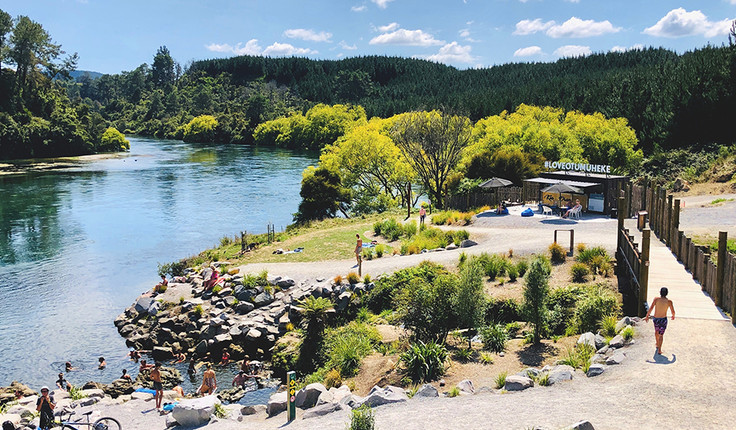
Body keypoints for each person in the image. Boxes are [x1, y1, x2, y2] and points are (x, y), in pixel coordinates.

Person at [645, 286, 676, 355]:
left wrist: (647, 316)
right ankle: (659, 349)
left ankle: (657, 343)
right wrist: (673, 316)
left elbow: (651, 308)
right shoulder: (669, 301)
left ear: (660, 292)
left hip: (656, 319)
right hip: (663, 319)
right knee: (661, 335)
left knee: (656, 332)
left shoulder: (656, 299)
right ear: (667, 293)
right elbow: (672, 311)